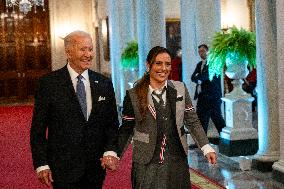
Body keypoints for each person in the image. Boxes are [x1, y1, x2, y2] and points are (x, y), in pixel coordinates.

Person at [118, 46, 217, 189]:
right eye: (158, 63)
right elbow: (126, 129)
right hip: (147, 162)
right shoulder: (134, 94)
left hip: (176, 161)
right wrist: (115, 154)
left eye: (167, 64)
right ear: (148, 65)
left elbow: (192, 120)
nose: (163, 68)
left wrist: (206, 147)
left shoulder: (180, 88)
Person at [30, 31, 119, 189]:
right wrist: (41, 163)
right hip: (62, 167)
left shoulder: (104, 83)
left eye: (90, 49)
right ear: (68, 52)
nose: (88, 54)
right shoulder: (49, 84)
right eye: (83, 49)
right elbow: (38, 130)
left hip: (95, 168)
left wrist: (110, 151)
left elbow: (112, 124)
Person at [191, 44, 226, 135]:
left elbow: (205, 77)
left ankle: (225, 139)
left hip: (212, 96)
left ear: (207, 51)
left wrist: (198, 77)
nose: (200, 53)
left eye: (202, 51)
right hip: (202, 96)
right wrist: (199, 78)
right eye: (199, 52)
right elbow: (192, 77)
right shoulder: (199, 64)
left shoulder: (213, 63)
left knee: (217, 119)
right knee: (200, 120)